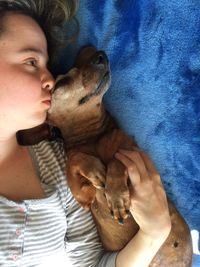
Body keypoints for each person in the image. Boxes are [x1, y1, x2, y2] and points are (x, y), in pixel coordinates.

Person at [0, 0, 171, 266]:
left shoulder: (61, 162)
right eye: (31, 61)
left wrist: (154, 233)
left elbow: (94, 263)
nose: (49, 78)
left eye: (46, 64)